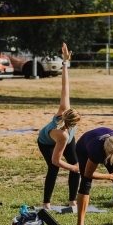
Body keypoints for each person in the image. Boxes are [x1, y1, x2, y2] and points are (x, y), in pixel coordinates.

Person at [37, 43, 82, 210]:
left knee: (76, 164)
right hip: (46, 142)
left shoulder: (65, 109)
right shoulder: (62, 134)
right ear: (72, 123)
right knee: (54, 167)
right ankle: (46, 203)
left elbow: (65, 86)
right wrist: (72, 167)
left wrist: (65, 62)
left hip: (67, 139)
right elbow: (56, 160)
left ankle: (72, 201)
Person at [73, 125, 113, 225]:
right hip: (83, 147)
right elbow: (88, 173)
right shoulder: (96, 149)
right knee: (86, 183)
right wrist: (109, 176)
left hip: (112, 148)